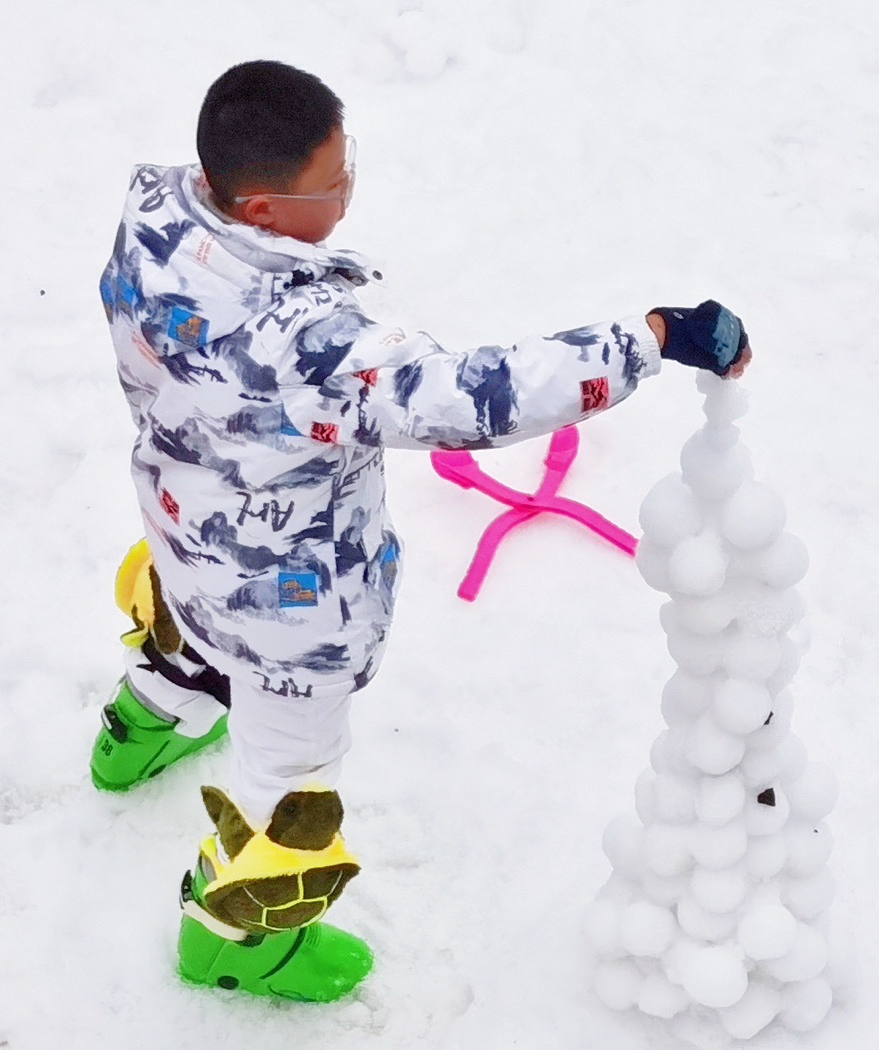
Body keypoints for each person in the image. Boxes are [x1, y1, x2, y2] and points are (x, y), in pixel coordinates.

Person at [92, 59, 752, 1003]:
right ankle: (237, 938)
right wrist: (647, 338)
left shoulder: (157, 218)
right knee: (291, 784)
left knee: (187, 624)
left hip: (184, 520)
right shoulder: (307, 345)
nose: (350, 185)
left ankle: (140, 729)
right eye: (334, 179)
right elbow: (468, 399)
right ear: (268, 208)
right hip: (292, 605)